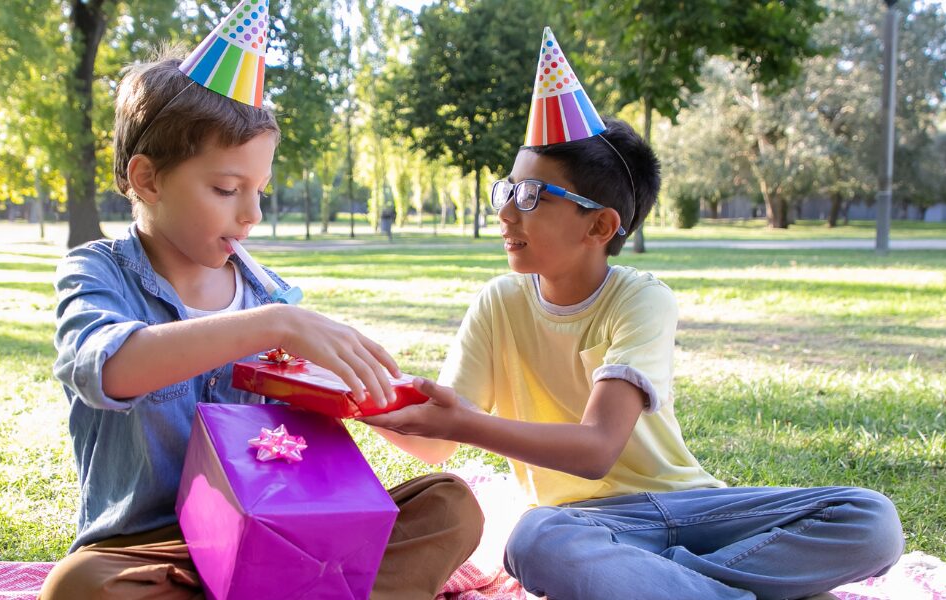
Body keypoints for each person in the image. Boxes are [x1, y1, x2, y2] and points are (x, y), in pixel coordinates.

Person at [362, 27, 904, 600]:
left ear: (599, 226)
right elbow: (434, 444)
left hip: (695, 508)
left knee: (869, 517)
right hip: (587, 528)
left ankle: (667, 585)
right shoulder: (499, 303)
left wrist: (461, 423)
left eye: (532, 198)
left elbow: (597, 450)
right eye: (507, 192)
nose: (507, 213)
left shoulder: (641, 297)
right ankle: (697, 587)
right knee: (533, 539)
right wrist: (349, 398)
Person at [39, 7, 482, 599]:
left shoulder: (272, 296)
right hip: (155, 552)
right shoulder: (98, 271)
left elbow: (428, 444)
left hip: (281, 534)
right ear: (147, 180)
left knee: (450, 504)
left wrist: (419, 412)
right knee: (78, 586)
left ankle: (291, 585)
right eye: (226, 189)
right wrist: (271, 325)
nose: (252, 214)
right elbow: (109, 368)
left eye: (259, 191)